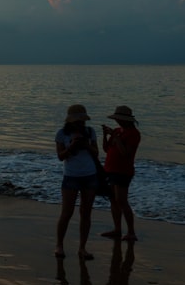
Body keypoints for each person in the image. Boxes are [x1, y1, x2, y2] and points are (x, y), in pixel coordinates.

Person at [54, 104, 99, 260]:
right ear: (70, 121)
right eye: (77, 121)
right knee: (67, 213)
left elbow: (96, 153)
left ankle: (82, 248)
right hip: (71, 176)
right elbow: (60, 157)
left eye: (82, 121)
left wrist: (85, 144)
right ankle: (59, 245)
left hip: (90, 176)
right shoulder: (62, 134)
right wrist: (72, 146)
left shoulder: (90, 132)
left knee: (86, 213)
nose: (80, 123)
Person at [101, 106, 141, 242]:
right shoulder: (117, 131)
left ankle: (131, 232)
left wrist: (117, 138)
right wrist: (106, 135)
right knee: (113, 200)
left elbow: (126, 153)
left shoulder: (133, 134)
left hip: (123, 171)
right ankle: (117, 229)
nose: (117, 121)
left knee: (122, 201)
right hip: (110, 169)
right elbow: (106, 149)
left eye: (119, 119)